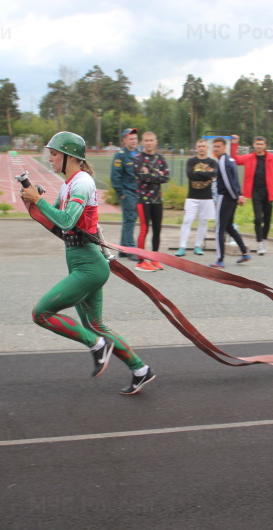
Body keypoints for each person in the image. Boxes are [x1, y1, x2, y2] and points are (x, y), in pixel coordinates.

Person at [20, 131, 155, 395]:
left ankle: (96, 345)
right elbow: (56, 225)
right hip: (81, 262)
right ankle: (141, 370)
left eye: (54, 154)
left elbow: (67, 221)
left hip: (88, 265)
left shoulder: (82, 182)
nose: (50, 158)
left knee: (41, 314)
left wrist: (40, 202)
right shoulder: (68, 184)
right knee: (96, 325)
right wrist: (32, 202)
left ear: (70, 156)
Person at [230, 135, 273, 255]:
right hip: (255, 191)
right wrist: (234, 144)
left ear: (265, 146)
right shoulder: (249, 158)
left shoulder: (272, 158)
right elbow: (235, 159)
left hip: (268, 192)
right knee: (258, 219)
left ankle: (263, 240)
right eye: (257, 144)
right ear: (254, 145)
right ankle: (259, 243)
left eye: (261, 144)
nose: (259, 146)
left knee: (267, 220)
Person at [210, 137, 252, 268]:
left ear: (224, 147)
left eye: (218, 146)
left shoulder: (222, 161)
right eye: (215, 146)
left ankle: (220, 259)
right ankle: (245, 253)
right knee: (229, 227)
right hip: (232, 198)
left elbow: (228, 182)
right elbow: (235, 180)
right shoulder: (231, 160)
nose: (216, 149)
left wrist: (236, 196)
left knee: (219, 229)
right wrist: (239, 195)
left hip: (225, 197)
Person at [133, 131, 169, 272]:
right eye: (146, 140)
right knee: (144, 229)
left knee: (157, 230)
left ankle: (154, 259)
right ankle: (141, 261)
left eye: (151, 140)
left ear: (156, 142)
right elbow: (142, 176)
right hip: (143, 199)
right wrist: (156, 174)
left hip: (157, 200)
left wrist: (149, 173)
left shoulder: (161, 158)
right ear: (143, 142)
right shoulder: (138, 158)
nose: (149, 142)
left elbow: (166, 177)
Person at [176, 139, 217, 257]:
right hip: (192, 196)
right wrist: (205, 175)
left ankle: (198, 246)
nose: (201, 148)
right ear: (196, 148)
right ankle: (182, 246)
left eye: (203, 146)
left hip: (207, 197)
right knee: (187, 220)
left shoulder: (212, 162)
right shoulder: (191, 161)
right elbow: (190, 175)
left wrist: (198, 173)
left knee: (203, 222)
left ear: (207, 147)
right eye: (199, 146)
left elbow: (213, 175)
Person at [110, 128, 140, 258]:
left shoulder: (138, 153)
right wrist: (121, 193)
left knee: (129, 219)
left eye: (135, 138)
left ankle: (123, 249)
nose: (134, 141)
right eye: (131, 139)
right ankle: (130, 250)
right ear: (124, 140)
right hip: (127, 192)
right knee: (130, 219)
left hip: (137, 192)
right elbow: (115, 177)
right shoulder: (120, 155)